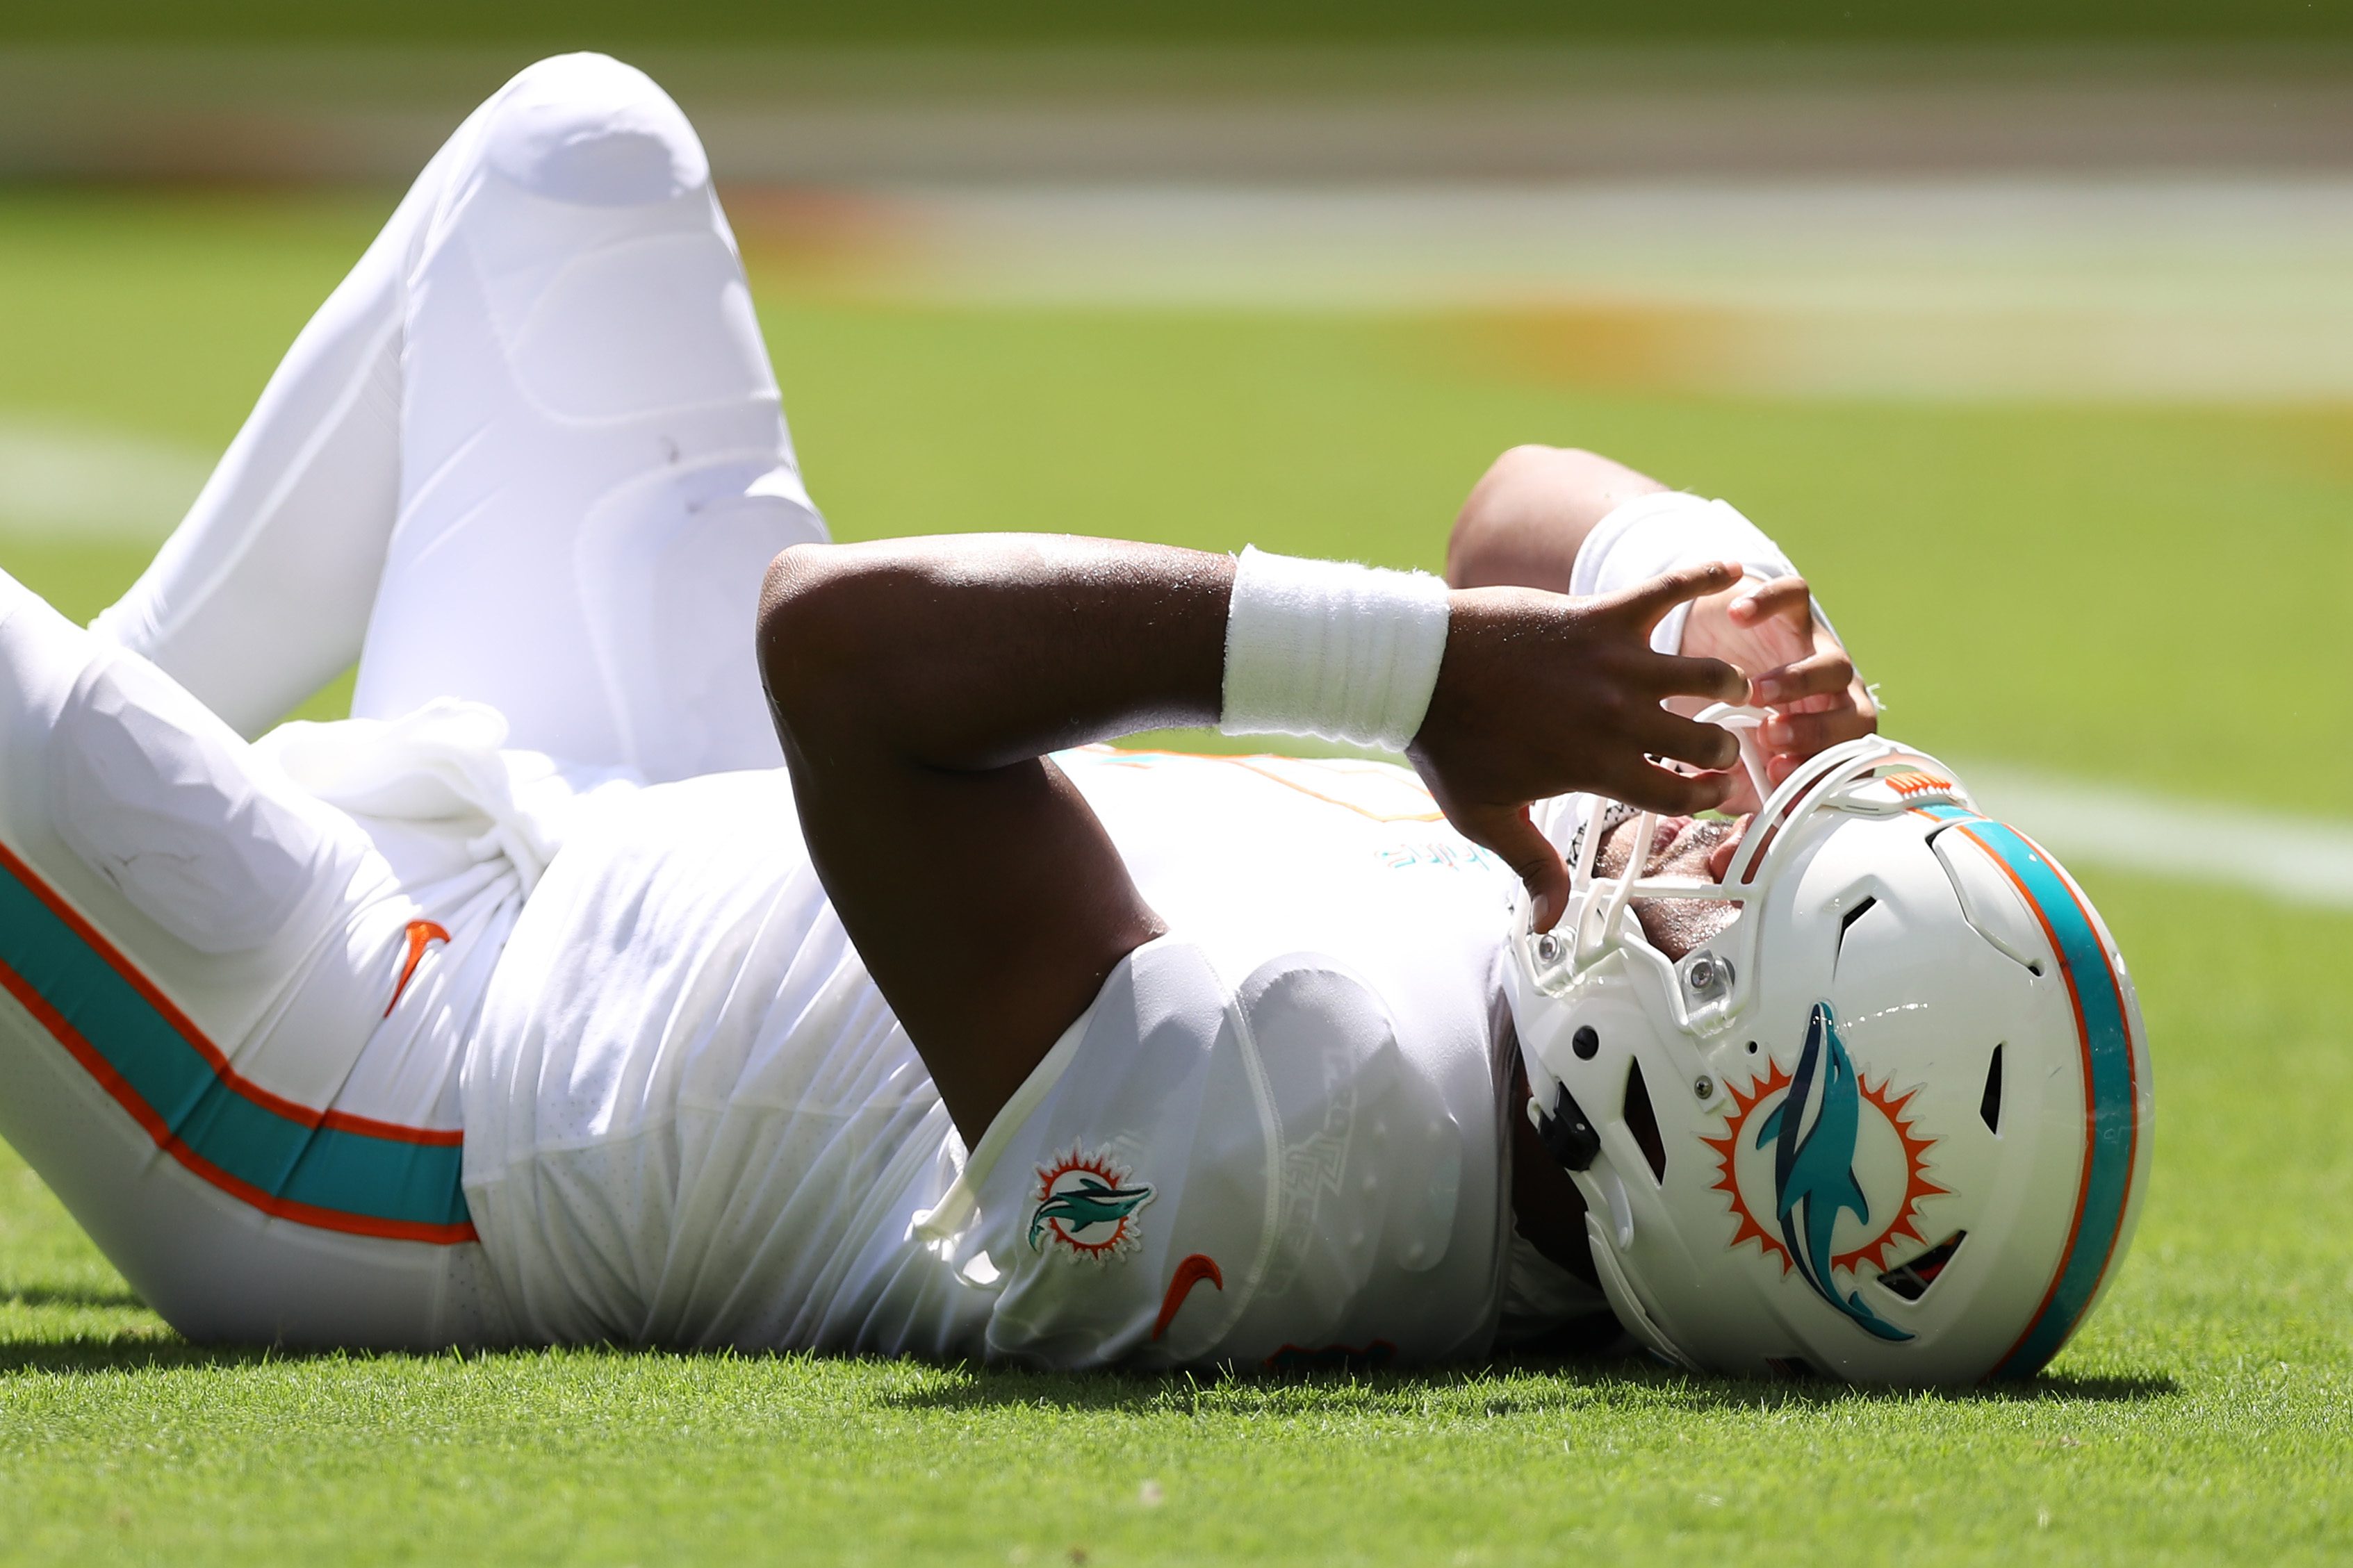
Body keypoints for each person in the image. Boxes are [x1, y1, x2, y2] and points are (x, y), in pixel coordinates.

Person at [0, 55, 2147, 1376]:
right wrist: (1753, 625)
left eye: (1733, 883)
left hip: (397, 1096)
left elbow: (846, 654)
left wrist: (1421, 670)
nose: (1703, 833)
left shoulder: (1283, 1147)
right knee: (576, 157)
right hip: (656, 820)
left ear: (1708, 1111)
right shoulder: (1596, 1068)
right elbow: (1532, 505)